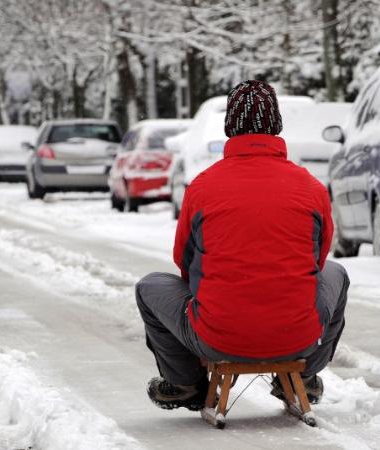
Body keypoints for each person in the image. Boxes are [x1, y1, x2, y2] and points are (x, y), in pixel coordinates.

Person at [135, 80, 349, 411]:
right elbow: (318, 262)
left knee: (150, 287)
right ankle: (304, 378)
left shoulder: (203, 187)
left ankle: (185, 384)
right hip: (297, 335)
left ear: (229, 127)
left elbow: (185, 262)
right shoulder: (311, 187)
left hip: (217, 336)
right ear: (277, 124)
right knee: (337, 274)